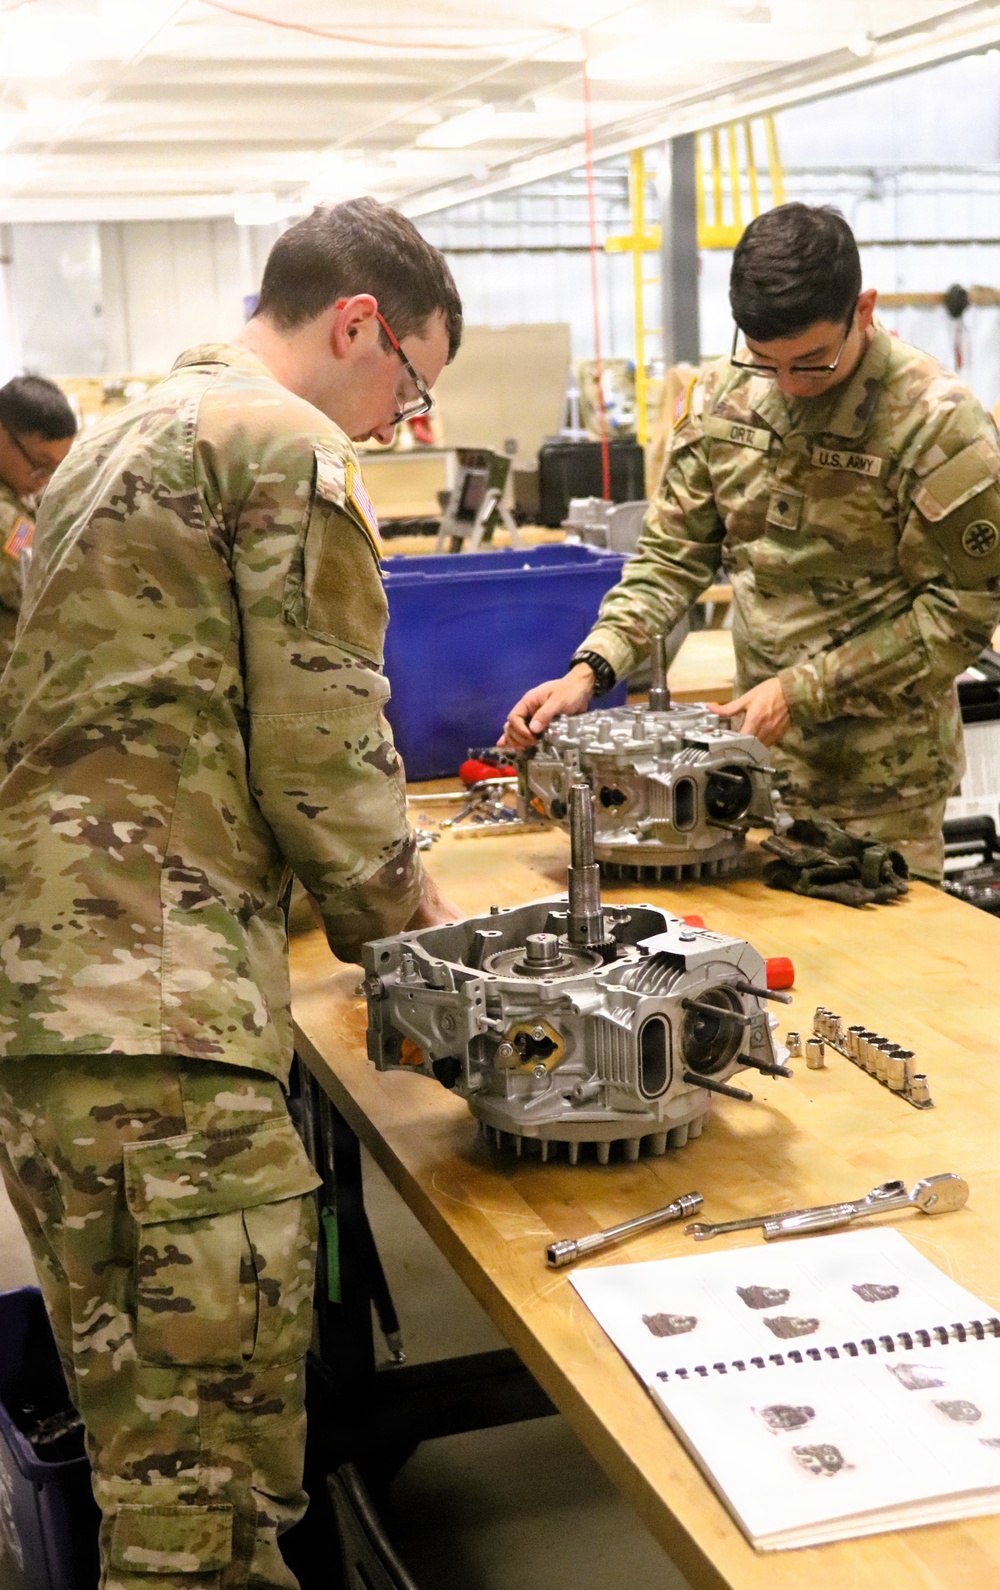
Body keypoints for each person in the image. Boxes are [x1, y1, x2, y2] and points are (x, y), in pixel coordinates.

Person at [0, 197, 462, 1590]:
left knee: (150, 1451)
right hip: (166, 1030)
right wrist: (426, 947)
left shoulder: (114, 437)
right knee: (207, 1512)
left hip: (57, 1011)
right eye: (411, 383)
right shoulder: (284, 441)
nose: (401, 422)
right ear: (358, 324)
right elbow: (322, 749)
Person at [503, 203, 1000, 883]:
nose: (790, 386)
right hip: (737, 770)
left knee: (883, 974)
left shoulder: (938, 425)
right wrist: (593, 670)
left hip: (881, 789)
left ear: (863, 309)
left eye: (812, 363)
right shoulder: (722, 397)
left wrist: (802, 691)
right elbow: (670, 558)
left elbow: (962, 613)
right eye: (766, 362)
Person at [0, 373, 77, 667]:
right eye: (40, 466)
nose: (43, 481)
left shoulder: (15, 487)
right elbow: (41, 588)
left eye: (56, 469)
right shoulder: (4, 520)